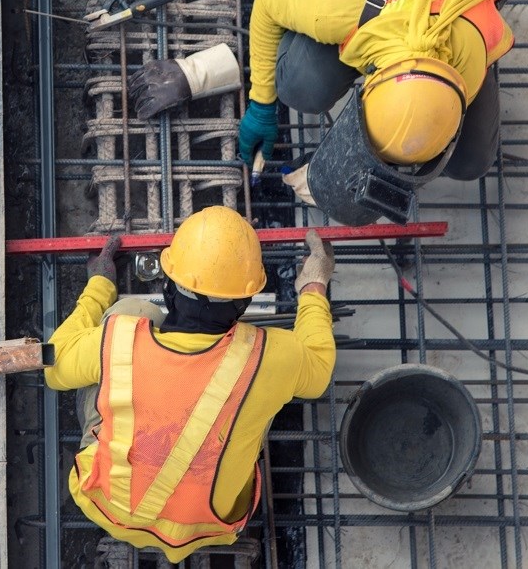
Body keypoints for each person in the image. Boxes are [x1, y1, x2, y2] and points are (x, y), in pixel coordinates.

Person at [129, 0, 514, 225]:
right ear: (370, 82)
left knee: (470, 163)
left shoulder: (472, 60)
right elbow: (266, 3)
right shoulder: (338, 12)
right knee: (299, 86)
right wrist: (262, 102)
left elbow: (416, 135)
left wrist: (338, 173)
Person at [44, 207, 336, 562]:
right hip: (213, 526)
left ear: (168, 287)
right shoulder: (270, 355)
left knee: (132, 315)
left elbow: (54, 367)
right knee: (258, 392)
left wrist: (100, 285)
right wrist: (314, 286)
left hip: (108, 506)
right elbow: (320, 369)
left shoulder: (119, 340)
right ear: (244, 302)